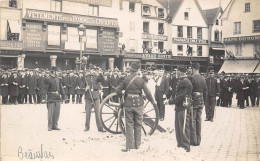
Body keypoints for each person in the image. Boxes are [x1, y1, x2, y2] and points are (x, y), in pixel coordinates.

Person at [116, 62, 156, 152]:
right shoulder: (141, 80)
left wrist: (122, 95)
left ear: (130, 70)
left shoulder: (125, 79)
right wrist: (153, 101)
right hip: (139, 105)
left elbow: (117, 90)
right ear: (138, 70)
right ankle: (138, 145)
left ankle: (130, 146)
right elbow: (148, 93)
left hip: (128, 104)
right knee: (138, 124)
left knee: (129, 125)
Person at [165, 65, 193, 152]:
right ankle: (180, 145)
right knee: (178, 127)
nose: (175, 72)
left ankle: (185, 146)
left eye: (177, 71)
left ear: (180, 72)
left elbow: (181, 96)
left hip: (183, 107)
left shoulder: (184, 82)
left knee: (183, 127)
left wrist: (170, 101)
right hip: (179, 107)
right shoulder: (182, 80)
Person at [189, 63, 207, 146]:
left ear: (193, 69)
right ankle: (198, 140)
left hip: (194, 101)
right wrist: (204, 102)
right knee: (198, 120)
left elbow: (189, 91)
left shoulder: (192, 78)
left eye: (191, 69)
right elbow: (205, 91)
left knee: (193, 120)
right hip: (201, 102)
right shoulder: (203, 79)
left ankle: (194, 141)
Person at [84, 65, 103, 132]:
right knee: (88, 112)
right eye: (92, 69)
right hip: (88, 96)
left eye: (94, 70)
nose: (93, 71)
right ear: (89, 70)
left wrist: (100, 73)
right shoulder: (86, 77)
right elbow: (81, 85)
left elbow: (102, 80)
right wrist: (85, 88)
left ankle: (100, 127)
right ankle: (87, 127)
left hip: (96, 95)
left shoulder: (97, 76)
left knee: (98, 112)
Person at [45, 67, 65, 131]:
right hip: (51, 98)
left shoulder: (58, 79)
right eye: (57, 71)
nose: (58, 72)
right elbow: (45, 89)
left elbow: (61, 88)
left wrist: (63, 95)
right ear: (53, 72)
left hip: (58, 98)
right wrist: (44, 97)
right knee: (50, 113)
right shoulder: (48, 79)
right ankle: (50, 126)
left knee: (57, 113)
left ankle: (55, 126)